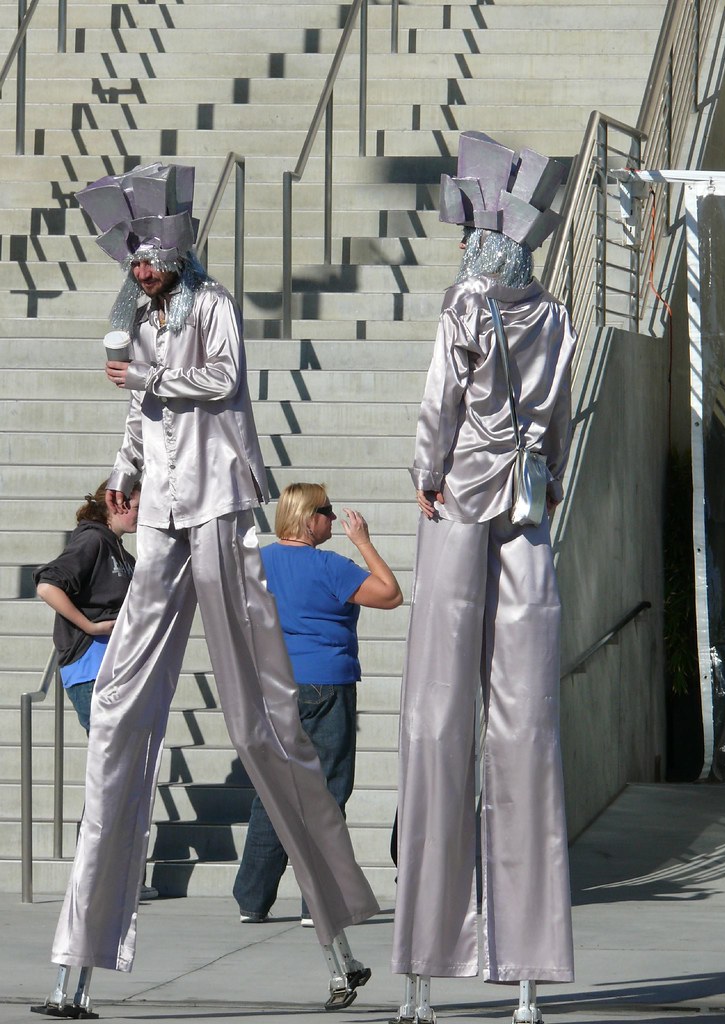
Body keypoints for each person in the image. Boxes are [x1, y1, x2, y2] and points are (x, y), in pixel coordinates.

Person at [36, 163, 378, 1018]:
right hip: (161, 514)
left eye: (146, 258)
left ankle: (337, 935)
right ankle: (76, 964)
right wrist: (123, 468)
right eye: (131, 260)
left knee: (263, 716)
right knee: (117, 711)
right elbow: (139, 415)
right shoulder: (141, 315)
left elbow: (223, 379)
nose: (138, 270)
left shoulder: (211, 302)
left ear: (172, 254)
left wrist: (148, 384)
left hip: (220, 504)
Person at [390, 132, 577, 1022]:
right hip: (528, 502)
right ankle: (529, 972)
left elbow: (441, 403)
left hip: (465, 495)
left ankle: (427, 965)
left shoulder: (468, 303)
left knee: (437, 711)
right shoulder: (553, 313)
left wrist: (425, 475)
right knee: (524, 724)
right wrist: (549, 479)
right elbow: (563, 418)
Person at [233, 483, 402, 926]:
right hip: (327, 682)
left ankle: (253, 898)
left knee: (274, 790)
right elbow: (390, 594)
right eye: (326, 512)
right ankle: (320, 902)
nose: (332, 520)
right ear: (309, 519)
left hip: (273, 684)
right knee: (326, 792)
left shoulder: (257, 563)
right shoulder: (330, 566)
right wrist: (363, 541)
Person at [33, 481, 139, 734]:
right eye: (138, 507)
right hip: (91, 668)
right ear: (116, 506)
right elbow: (47, 586)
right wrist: (90, 627)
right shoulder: (93, 539)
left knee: (123, 757)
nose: (142, 515)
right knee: (111, 757)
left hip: (115, 666)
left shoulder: (122, 553)